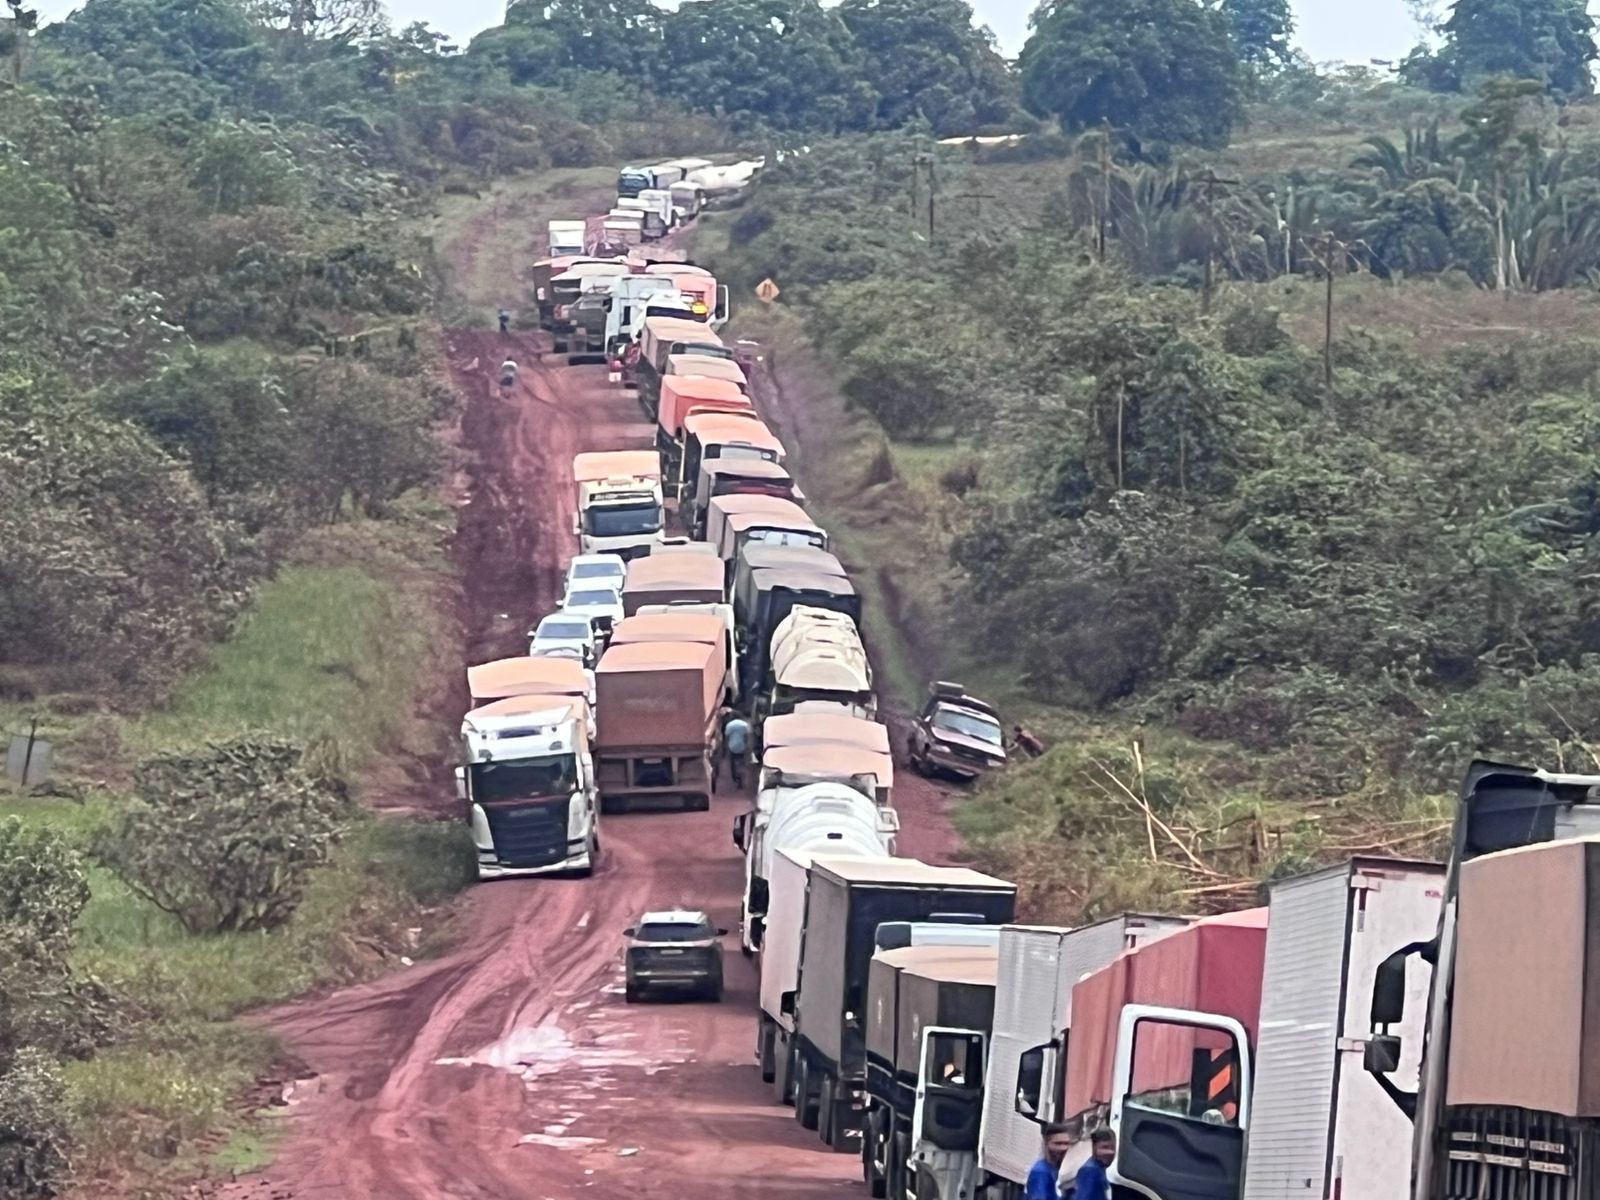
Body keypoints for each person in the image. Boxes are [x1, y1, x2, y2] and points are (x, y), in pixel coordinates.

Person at [1026, 1124, 1072, 1200]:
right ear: (1046, 1144)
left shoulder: (1057, 1169)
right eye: (1058, 1143)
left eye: (1066, 1143)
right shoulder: (1041, 1172)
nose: (1064, 1148)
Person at [1067, 1129, 1116, 1200]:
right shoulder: (1091, 1171)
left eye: (1112, 1148)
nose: (1109, 1152)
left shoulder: (1100, 1169)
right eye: (1104, 1147)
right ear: (1094, 1148)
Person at [722, 710, 752, 789]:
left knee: (733, 764)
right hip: (742, 747)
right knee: (742, 763)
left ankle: (736, 777)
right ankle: (741, 779)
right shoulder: (745, 725)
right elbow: (747, 737)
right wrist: (747, 747)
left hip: (732, 747)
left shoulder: (729, 725)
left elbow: (727, 738)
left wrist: (725, 748)